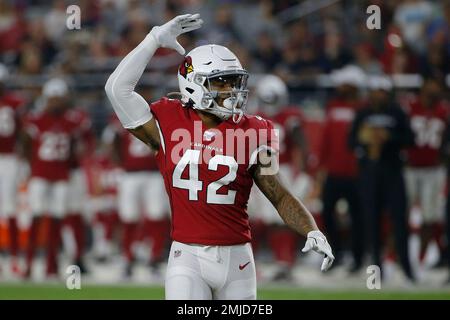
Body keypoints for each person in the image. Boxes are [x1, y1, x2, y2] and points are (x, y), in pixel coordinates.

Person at [105, 13, 334, 300]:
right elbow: (117, 89)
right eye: (222, 83)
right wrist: (153, 41)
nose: (232, 91)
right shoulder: (168, 120)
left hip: (239, 259)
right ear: (194, 84)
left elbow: (279, 194)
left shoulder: (255, 130)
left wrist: (312, 230)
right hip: (187, 256)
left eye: (234, 82)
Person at [349, 75, 415, 282]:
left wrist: (389, 138)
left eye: (381, 91)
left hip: (392, 171)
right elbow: (351, 142)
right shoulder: (363, 113)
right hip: (369, 172)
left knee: (399, 220)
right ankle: (376, 271)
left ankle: (406, 267)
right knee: (371, 221)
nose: (378, 95)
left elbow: (410, 139)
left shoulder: (397, 112)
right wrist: (364, 141)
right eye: (375, 91)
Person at [249, 74, 312, 281]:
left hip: (279, 168)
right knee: (266, 219)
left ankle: (283, 262)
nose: (270, 105)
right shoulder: (257, 116)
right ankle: (271, 261)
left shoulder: (289, 117)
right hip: (264, 167)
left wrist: (300, 171)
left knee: (280, 218)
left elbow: (301, 144)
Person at [22, 78, 79, 279]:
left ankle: (51, 266)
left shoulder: (70, 120)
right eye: (52, 99)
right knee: (36, 217)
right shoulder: (37, 119)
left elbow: (74, 150)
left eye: (59, 99)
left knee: (56, 220)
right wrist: (32, 166)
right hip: (41, 173)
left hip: (61, 175)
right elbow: (26, 144)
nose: (55, 103)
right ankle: (28, 265)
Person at [318, 66, 365, 272]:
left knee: (358, 216)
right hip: (334, 171)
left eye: (344, 84)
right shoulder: (333, 105)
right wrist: (321, 166)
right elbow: (326, 138)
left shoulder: (363, 108)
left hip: (357, 173)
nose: (340, 88)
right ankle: (336, 252)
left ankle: (357, 258)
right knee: (327, 212)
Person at [403, 78, 448, 268]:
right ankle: (398, 255)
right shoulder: (409, 106)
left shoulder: (444, 110)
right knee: (401, 213)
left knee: (430, 216)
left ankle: (421, 258)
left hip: (433, 170)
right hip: (410, 168)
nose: (433, 88)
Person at [0, 63, 25, 277]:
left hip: (8, 159)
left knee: (9, 209)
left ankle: (15, 257)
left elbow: (24, 133)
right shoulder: (13, 103)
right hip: (8, 159)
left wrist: (22, 159)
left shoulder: (14, 103)